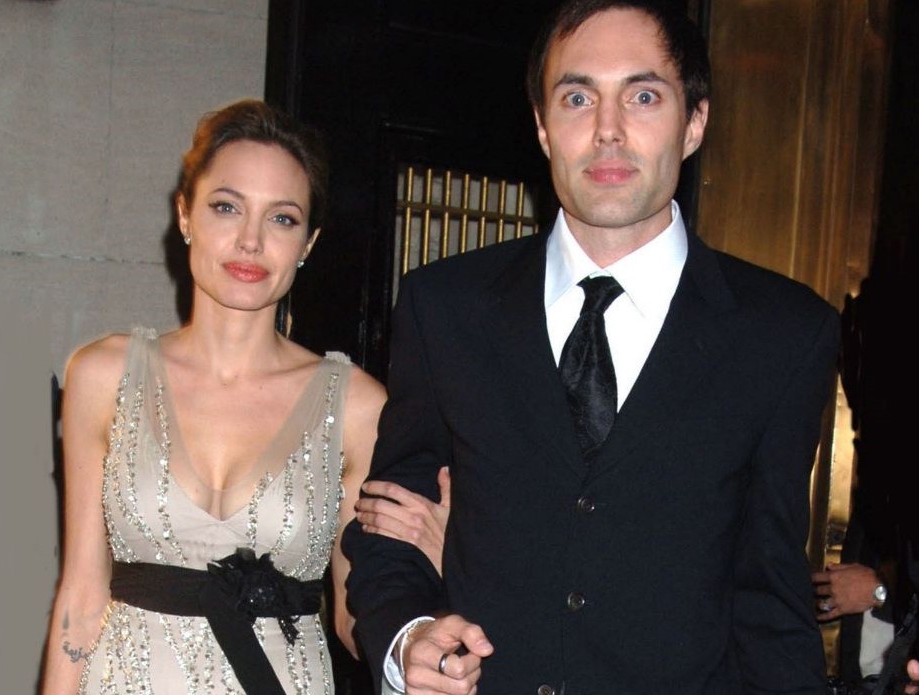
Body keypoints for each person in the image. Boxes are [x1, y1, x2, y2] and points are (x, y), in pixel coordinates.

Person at [341, 1, 841, 693]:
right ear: (543, 127)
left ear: (695, 121)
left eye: (643, 96)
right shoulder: (445, 306)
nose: (608, 129)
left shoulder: (783, 332)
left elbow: (770, 591)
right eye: (578, 98)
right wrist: (408, 636)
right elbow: (386, 528)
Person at [40, 98, 435, 695]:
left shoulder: (356, 407)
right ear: (185, 214)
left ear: (308, 243)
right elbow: (81, 595)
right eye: (227, 207)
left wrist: (433, 590)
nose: (250, 240)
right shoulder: (104, 376)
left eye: (282, 219)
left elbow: (355, 621)